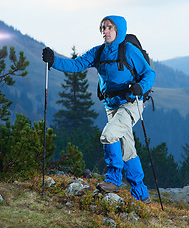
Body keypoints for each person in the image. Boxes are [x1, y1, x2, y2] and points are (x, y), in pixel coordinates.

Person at [42, 15, 155, 204]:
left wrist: (140, 87)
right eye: (103, 27)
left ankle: (113, 179)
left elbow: (149, 73)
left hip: (131, 103)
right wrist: (53, 60)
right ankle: (141, 194)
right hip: (111, 106)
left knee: (108, 135)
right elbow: (76, 64)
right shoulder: (99, 52)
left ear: (118, 30)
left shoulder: (128, 50)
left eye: (110, 27)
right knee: (128, 149)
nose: (106, 31)